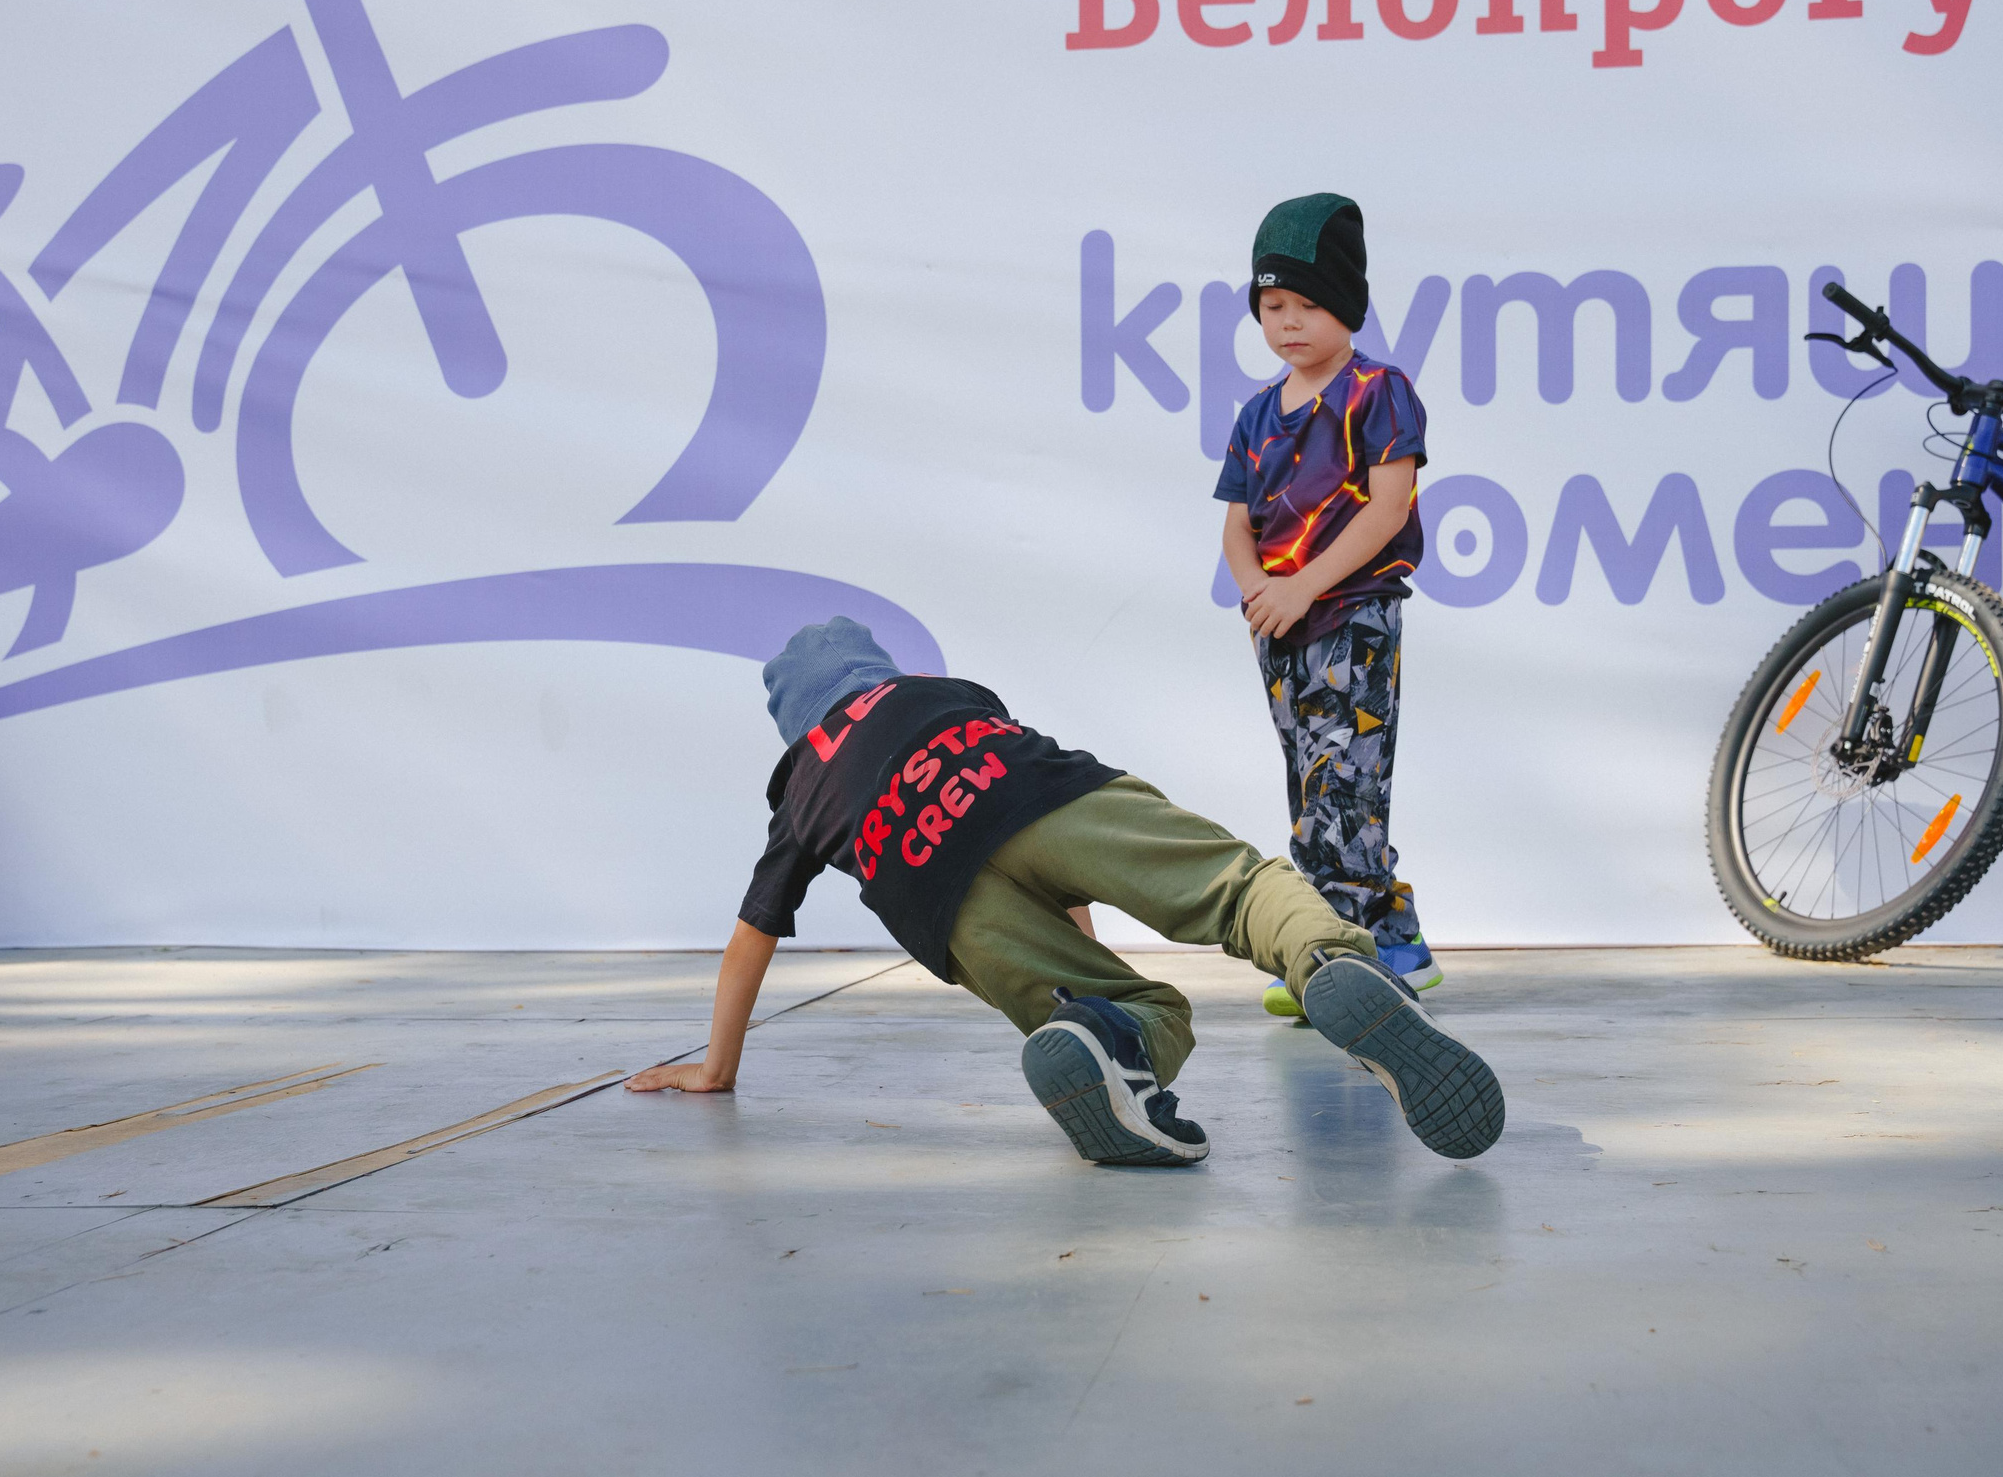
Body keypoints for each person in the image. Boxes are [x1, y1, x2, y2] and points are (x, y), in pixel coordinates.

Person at [622, 618, 1504, 1168]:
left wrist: (718, 1068)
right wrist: (1082, 913)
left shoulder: (803, 787)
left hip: (940, 898)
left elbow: (753, 934)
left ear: (798, 724)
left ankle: (1103, 1033)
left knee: (1135, 1009)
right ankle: (1327, 963)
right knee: (1235, 889)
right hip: (1034, 792)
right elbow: (1053, 851)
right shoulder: (941, 691)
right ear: (875, 671)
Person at [1216, 193, 1439, 1019]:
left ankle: (1331, 954)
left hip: (1354, 615)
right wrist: (1261, 593)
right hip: (1278, 628)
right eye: (1274, 305)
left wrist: (1305, 584)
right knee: (1313, 786)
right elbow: (1236, 530)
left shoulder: (1378, 391)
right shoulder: (1254, 415)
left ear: (1346, 304)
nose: (1290, 322)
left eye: (1309, 304)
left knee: (1344, 782)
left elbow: (1387, 507)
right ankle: (1395, 937)